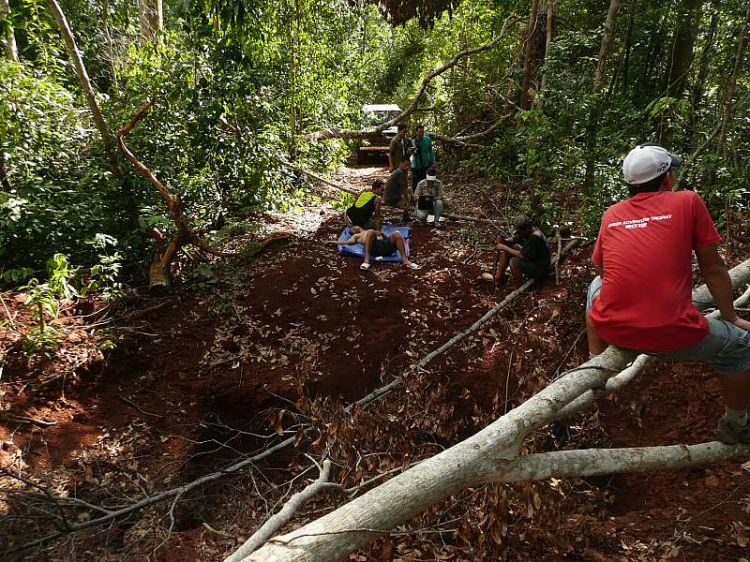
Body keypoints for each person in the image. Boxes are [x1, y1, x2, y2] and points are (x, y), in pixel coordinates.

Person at [586, 143, 750, 445]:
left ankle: (595, 361)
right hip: (671, 332)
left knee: (594, 286)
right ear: (667, 178)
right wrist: (730, 317)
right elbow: (713, 268)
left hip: (615, 328)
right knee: (740, 345)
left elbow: (605, 274)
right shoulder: (687, 201)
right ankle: (736, 425)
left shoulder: (612, 213)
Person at [493, 214, 551, 285]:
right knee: (509, 250)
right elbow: (512, 241)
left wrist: (504, 247)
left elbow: (523, 256)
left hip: (541, 269)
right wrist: (503, 241)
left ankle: (519, 288)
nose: (518, 233)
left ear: (526, 229)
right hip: (533, 260)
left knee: (514, 262)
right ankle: (498, 278)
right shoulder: (526, 232)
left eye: (519, 231)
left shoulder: (535, 237)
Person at [330, 226, 421, 271]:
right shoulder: (357, 236)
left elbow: (383, 235)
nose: (355, 228)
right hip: (374, 248)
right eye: (353, 229)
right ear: (353, 233)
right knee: (370, 232)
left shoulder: (370, 230)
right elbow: (346, 243)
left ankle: (405, 260)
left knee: (397, 233)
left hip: (385, 244)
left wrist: (380, 234)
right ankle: (366, 260)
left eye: (355, 226)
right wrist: (332, 242)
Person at [410, 124, 436, 191]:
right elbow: (408, 152)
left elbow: (431, 151)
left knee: (426, 183)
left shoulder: (428, 140)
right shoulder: (413, 141)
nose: (421, 133)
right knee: (415, 185)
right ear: (416, 132)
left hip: (425, 165)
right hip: (415, 166)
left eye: (422, 132)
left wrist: (433, 161)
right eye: (419, 132)